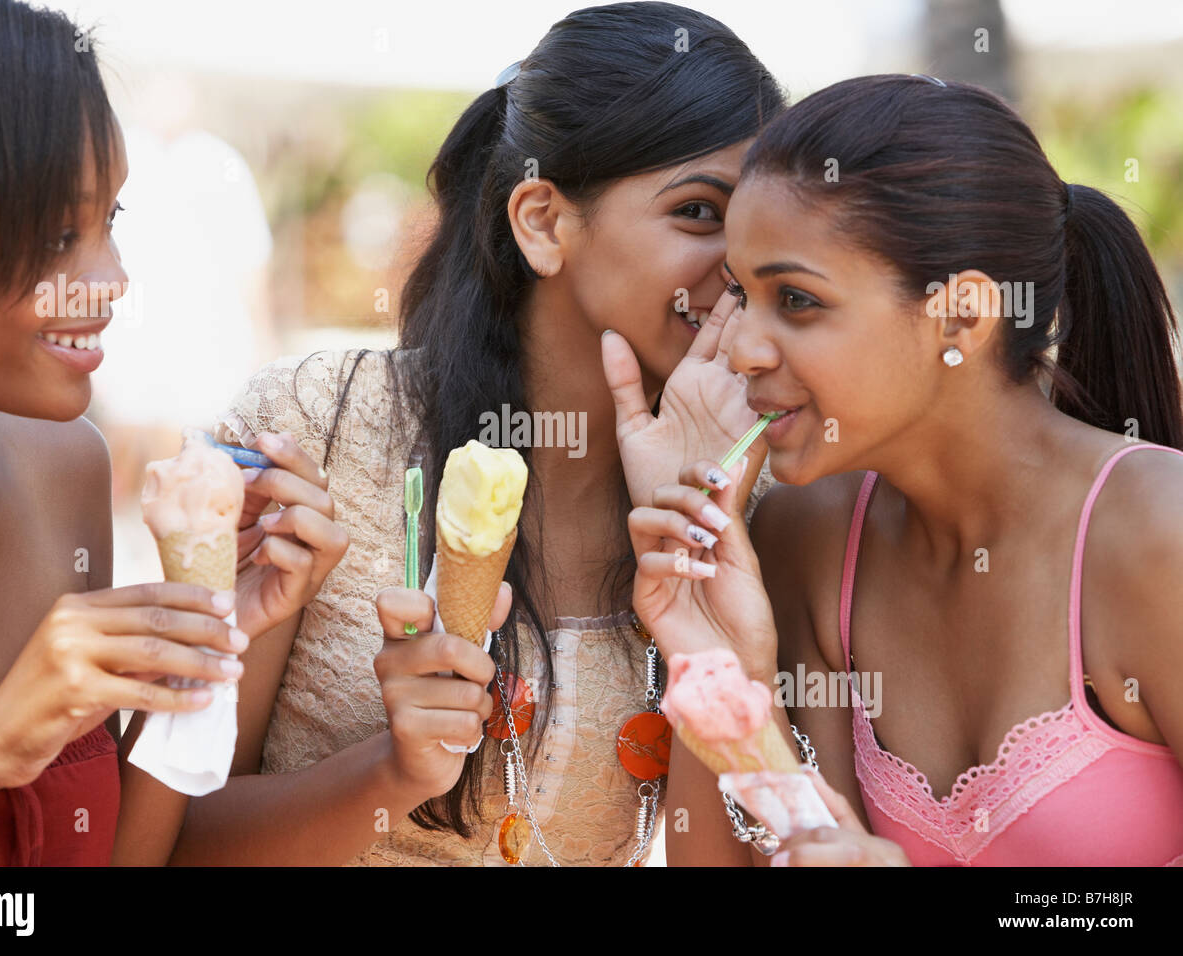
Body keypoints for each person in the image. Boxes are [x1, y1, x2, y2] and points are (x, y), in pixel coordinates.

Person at [175, 1, 786, 865]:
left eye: (759, 226)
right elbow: (165, 839)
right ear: (542, 221)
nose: (739, 264)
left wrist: (710, 647)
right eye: (696, 211)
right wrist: (390, 773)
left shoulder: (750, 497)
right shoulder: (316, 428)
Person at [619, 74, 1183, 866]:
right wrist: (719, 668)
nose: (742, 348)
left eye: (798, 300)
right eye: (742, 295)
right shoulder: (806, 536)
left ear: (964, 314)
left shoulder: (1161, 535)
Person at [0, 0, 342, 866]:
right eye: (60, 233)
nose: (112, 281)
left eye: (111, 222)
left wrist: (205, 648)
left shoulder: (62, 469)